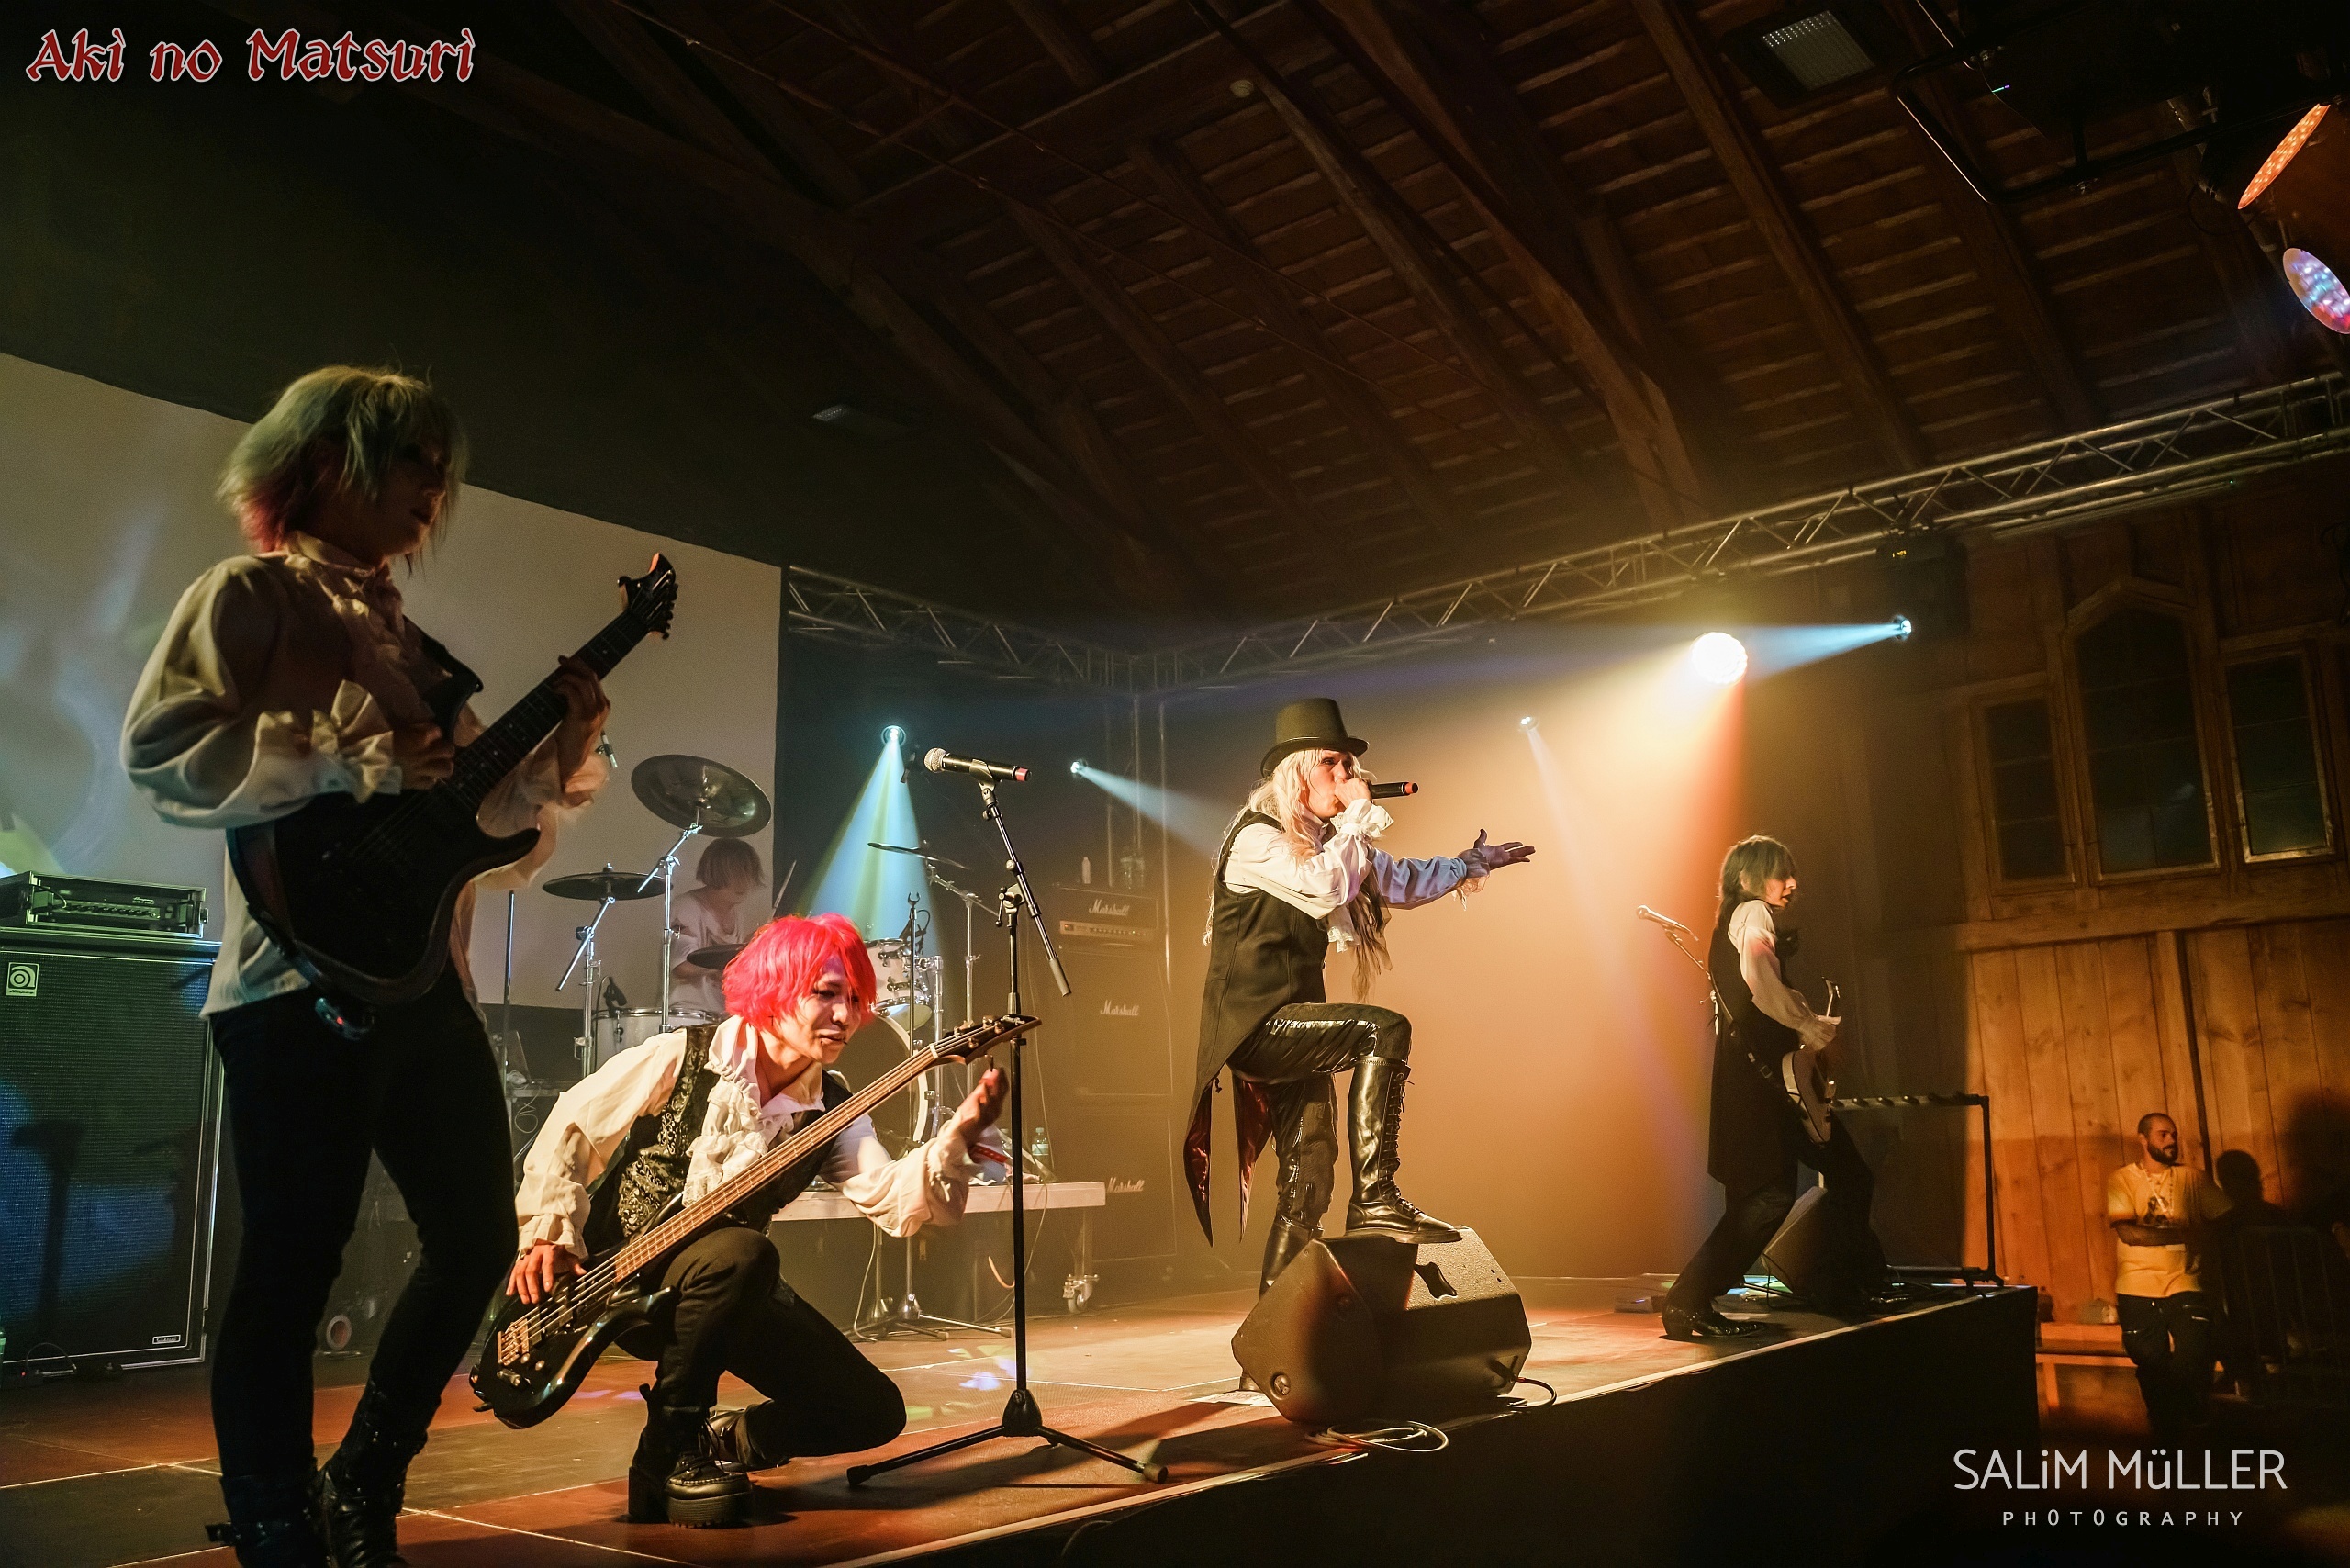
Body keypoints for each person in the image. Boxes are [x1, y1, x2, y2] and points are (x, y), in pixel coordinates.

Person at [120, 366, 610, 1566]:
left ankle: (366, 1477)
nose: (433, 488)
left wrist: (564, 750)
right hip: (295, 984)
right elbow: (164, 750)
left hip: (425, 983)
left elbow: (488, 836)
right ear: (326, 459)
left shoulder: (417, 650)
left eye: (442, 470)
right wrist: (342, 754)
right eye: (410, 460)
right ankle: (276, 1524)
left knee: (479, 1239)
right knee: (293, 1265)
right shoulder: (251, 596)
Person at [508, 913, 1008, 1528]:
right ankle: (666, 1455)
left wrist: (955, 1142)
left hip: (727, 1288)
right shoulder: (684, 1056)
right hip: (622, 1283)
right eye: (827, 994)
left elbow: (888, 1197)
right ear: (776, 989)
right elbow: (574, 1125)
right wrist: (548, 1232)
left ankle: (730, 1441)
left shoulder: (832, 1107)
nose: (846, 1015)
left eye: (856, 999)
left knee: (871, 1410)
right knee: (747, 1252)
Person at [1187, 698, 1536, 1293]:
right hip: (1255, 1026)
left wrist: (1468, 864)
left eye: (1350, 766)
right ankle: (1377, 1195)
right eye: (1333, 764)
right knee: (1384, 1028)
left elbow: (1397, 880)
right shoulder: (1256, 840)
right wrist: (1356, 818)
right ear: (1297, 773)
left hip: (1298, 1026)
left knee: (1309, 1176)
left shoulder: (1329, 841)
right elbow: (1326, 887)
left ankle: (1279, 1328)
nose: (1348, 776)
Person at [1662, 836, 1884, 1341]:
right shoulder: (1752, 912)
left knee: (1818, 1182)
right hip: (1766, 1086)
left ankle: (1841, 1286)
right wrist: (1811, 1029)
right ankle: (1689, 1301)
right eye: (1780, 873)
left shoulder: (1737, 920)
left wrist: (1804, 1021)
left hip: (1762, 1083)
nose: (1792, 883)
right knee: (1772, 1196)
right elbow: (1761, 981)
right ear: (1747, 880)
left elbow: (1761, 988)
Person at [2107, 1112, 2231, 1435]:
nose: (2172, 1141)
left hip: (2185, 1280)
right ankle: (2165, 1427)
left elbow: (2226, 1218)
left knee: (2194, 1350)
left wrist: (2204, 1236)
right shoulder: (2123, 1179)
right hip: (2137, 1284)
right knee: (2149, 1361)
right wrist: (2184, 1234)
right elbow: (2129, 1233)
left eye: (2173, 1134)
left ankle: (2188, 1412)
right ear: (2143, 1139)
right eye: (2163, 1134)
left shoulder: (2192, 1178)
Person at [668, 837, 765, 1014]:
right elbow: (682, 967)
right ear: (715, 872)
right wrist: (732, 959)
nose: (743, 883)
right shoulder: (686, 906)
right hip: (686, 1011)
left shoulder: (736, 913)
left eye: (748, 874)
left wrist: (749, 950)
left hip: (718, 1013)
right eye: (735, 875)